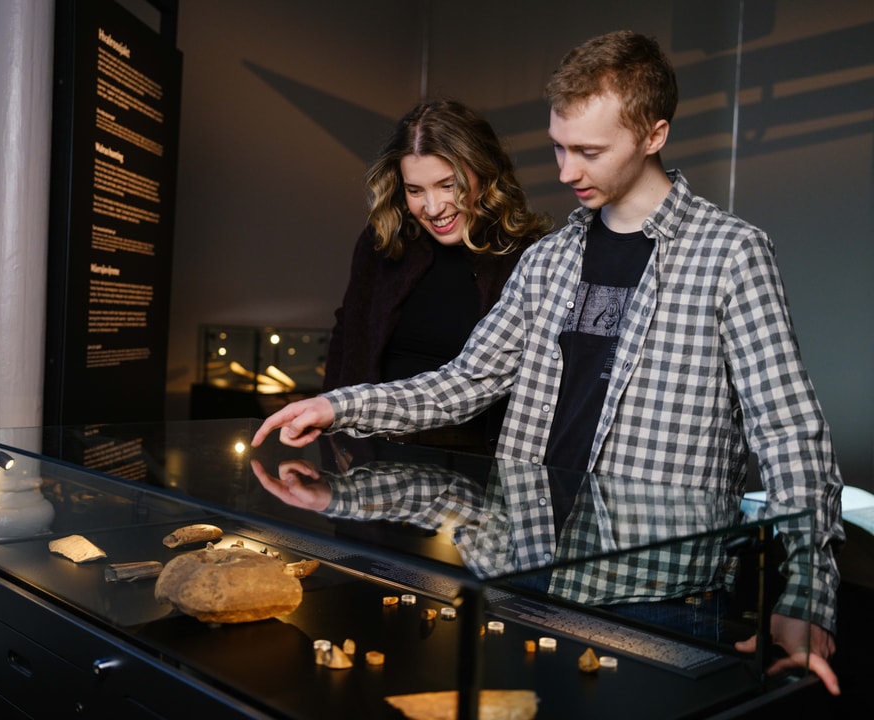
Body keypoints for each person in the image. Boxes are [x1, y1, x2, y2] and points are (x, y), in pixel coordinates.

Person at [253, 31, 844, 695]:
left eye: (589, 151)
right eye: (561, 146)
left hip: (655, 596)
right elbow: (467, 382)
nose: (565, 170)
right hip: (522, 575)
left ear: (654, 135)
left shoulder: (732, 254)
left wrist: (804, 592)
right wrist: (338, 405)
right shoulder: (548, 259)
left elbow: (789, 434)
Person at [322, 99, 552, 455]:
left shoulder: (529, 256)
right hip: (377, 455)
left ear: (484, 172)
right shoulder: (382, 241)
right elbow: (347, 337)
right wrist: (335, 437)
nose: (432, 208)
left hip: (480, 466)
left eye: (448, 185)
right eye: (415, 190)